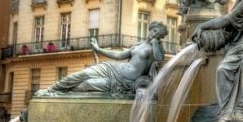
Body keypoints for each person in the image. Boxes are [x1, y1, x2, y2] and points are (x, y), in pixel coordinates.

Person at [35, 22, 166, 96]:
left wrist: (155, 43)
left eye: (158, 35)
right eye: (154, 31)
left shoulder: (155, 49)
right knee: (83, 74)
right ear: (150, 30)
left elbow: (160, 60)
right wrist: (98, 49)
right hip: (112, 68)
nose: (154, 35)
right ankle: (51, 90)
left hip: (123, 81)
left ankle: (62, 93)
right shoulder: (137, 45)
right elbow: (120, 55)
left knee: (86, 85)